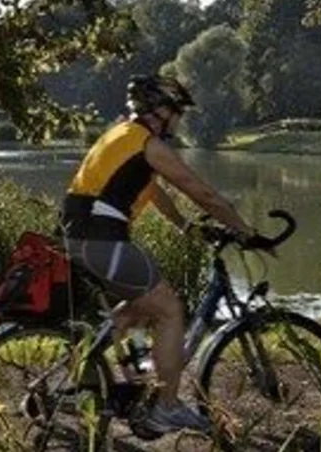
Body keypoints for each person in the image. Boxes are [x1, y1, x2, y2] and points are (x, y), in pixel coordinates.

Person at [61, 75, 258, 434]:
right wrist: (245, 231)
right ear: (160, 112)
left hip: (80, 237)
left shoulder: (120, 136)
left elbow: (152, 191)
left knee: (133, 315)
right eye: (176, 111)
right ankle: (165, 407)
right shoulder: (148, 145)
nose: (179, 119)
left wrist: (184, 226)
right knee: (168, 308)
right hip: (104, 242)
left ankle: (141, 387)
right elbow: (203, 192)